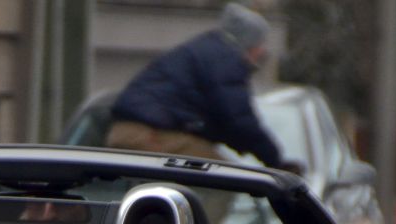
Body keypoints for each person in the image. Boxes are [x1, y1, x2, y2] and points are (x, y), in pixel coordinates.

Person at [106, 3, 300, 174]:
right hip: (150, 136)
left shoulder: (207, 50)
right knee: (224, 180)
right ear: (248, 42)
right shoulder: (225, 59)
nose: (263, 51)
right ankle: (191, 217)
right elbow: (239, 120)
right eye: (260, 44)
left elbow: (223, 123)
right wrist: (274, 161)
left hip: (124, 132)